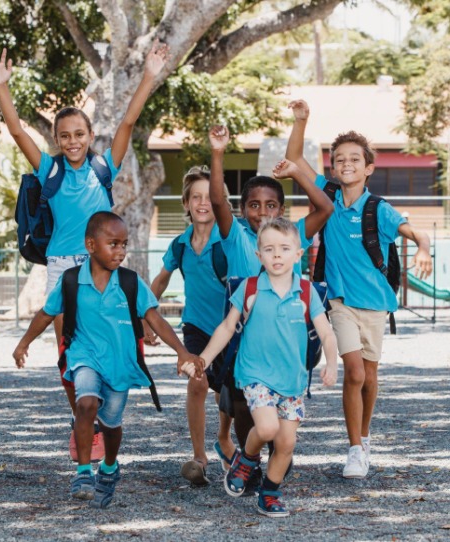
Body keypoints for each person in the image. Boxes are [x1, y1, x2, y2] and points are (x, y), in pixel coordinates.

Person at [0, 41, 170, 460]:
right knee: (68, 349)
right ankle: (82, 420)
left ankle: (110, 398)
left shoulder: (104, 168)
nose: (72, 141)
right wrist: (2, 86)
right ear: (56, 138)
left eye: (79, 134)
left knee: (113, 339)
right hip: (63, 268)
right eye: (64, 135)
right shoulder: (48, 169)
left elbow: (127, 123)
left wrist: (149, 76)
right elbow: (15, 130)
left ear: (89, 136)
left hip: (102, 264)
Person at [285, 99, 432, 479]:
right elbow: (294, 158)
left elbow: (414, 231)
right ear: (333, 166)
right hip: (340, 301)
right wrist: (302, 119)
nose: (346, 164)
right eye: (339, 159)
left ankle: (365, 437)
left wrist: (424, 248)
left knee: (369, 375)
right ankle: (353, 449)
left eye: (354, 159)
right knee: (353, 373)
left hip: (377, 305)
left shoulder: (379, 210)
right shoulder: (328, 196)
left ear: (369, 168)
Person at [12, 212, 200, 508]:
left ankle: (110, 466)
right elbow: (46, 313)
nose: (121, 251)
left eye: (124, 244)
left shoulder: (130, 282)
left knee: (111, 425)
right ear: (90, 245)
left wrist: (182, 351)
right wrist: (24, 343)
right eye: (113, 243)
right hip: (84, 356)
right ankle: (84, 472)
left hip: (120, 364)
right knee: (85, 404)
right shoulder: (71, 280)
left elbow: (155, 318)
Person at [182, 217, 338, 517]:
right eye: (268, 249)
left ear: (298, 254)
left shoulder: (307, 293)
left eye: (284, 248)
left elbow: (327, 333)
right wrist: (204, 359)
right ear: (259, 255)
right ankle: (248, 458)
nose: (276, 255)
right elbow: (227, 328)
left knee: (286, 443)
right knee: (266, 427)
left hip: (292, 382)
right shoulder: (250, 288)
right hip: (255, 376)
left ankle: (269, 492)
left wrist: (332, 363)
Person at [207, 123, 333, 483]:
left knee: (281, 416)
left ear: (281, 208)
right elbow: (218, 201)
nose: (262, 211)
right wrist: (218, 153)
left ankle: (274, 462)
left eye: (271, 205)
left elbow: (324, 208)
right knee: (245, 405)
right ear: (243, 208)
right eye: (254, 205)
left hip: (285, 339)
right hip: (244, 335)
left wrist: (297, 172)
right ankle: (250, 462)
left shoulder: (289, 237)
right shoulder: (236, 236)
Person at [144, 166, 235, 486]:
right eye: (195, 196)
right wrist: (145, 316)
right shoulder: (180, 245)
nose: (202, 202)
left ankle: (224, 439)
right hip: (195, 326)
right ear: (185, 203)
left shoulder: (229, 241)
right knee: (197, 382)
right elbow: (159, 280)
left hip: (230, 328)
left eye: (209, 197)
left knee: (229, 394)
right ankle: (199, 457)